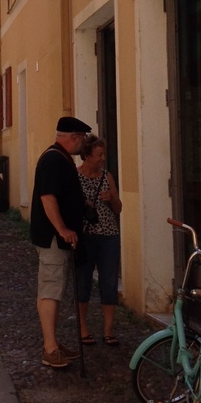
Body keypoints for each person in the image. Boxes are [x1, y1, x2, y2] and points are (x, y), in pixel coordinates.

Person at [30, 116, 91, 369]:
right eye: (83, 139)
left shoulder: (59, 158)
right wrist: (63, 228)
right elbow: (48, 197)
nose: (83, 144)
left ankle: (52, 341)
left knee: (55, 289)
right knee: (50, 289)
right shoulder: (54, 159)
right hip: (54, 238)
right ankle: (50, 348)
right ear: (74, 137)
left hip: (58, 238)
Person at [76, 134, 123, 346]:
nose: (103, 158)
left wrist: (111, 198)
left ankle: (108, 330)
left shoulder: (107, 177)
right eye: (98, 155)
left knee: (109, 282)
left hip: (108, 236)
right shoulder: (75, 177)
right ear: (86, 156)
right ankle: (83, 328)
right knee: (83, 281)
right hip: (85, 237)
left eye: (103, 154)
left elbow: (118, 208)